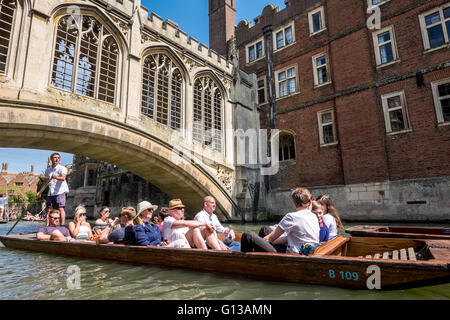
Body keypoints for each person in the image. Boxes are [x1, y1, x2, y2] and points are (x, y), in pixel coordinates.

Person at [241, 188, 320, 255]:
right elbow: (291, 237)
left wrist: (260, 242)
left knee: (247, 235)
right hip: (308, 252)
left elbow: (269, 239)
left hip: (292, 256)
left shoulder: (291, 217)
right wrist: (270, 242)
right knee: (265, 229)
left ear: (294, 203)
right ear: (309, 203)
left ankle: (248, 263)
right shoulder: (314, 217)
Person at [36, 153, 69, 226]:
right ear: (51, 159)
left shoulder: (62, 168)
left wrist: (56, 177)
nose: (57, 159)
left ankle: (62, 226)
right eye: (55, 157)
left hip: (60, 191)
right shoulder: (48, 170)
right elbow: (45, 182)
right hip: (51, 192)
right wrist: (40, 192)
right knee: (49, 210)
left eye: (58, 158)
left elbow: (63, 178)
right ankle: (48, 226)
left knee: (61, 209)